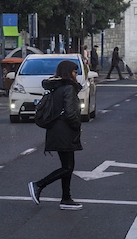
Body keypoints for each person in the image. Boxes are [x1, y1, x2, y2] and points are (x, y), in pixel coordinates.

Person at [27, 59, 84, 210]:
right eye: (74, 71)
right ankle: (38, 185)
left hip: (56, 130)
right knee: (68, 167)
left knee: (67, 166)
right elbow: (71, 113)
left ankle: (66, 198)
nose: (76, 75)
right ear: (68, 72)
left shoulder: (56, 87)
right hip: (64, 131)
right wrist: (77, 125)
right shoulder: (68, 88)